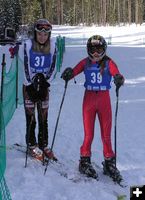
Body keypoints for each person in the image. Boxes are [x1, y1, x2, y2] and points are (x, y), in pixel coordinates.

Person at [61, 35, 124, 182]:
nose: (96, 53)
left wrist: (119, 78)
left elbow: (117, 73)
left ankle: (109, 162)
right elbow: (75, 70)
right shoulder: (86, 62)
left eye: (99, 49)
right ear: (88, 50)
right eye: (93, 50)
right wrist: (69, 73)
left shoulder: (109, 63)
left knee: (106, 134)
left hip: (104, 100)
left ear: (104, 50)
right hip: (89, 100)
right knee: (89, 134)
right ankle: (84, 160)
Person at [23, 19, 57, 162]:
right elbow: (25, 65)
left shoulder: (53, 46)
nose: (42, 37)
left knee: (44, 117)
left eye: (45, 34)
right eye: (40, 34)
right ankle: (32, 145)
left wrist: (46, 82)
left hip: (43, 85)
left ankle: (44, 144)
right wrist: (30, 84)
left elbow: (53, 66)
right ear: (35, 33)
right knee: (31, 118)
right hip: (29, 86)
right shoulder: (28, 45)